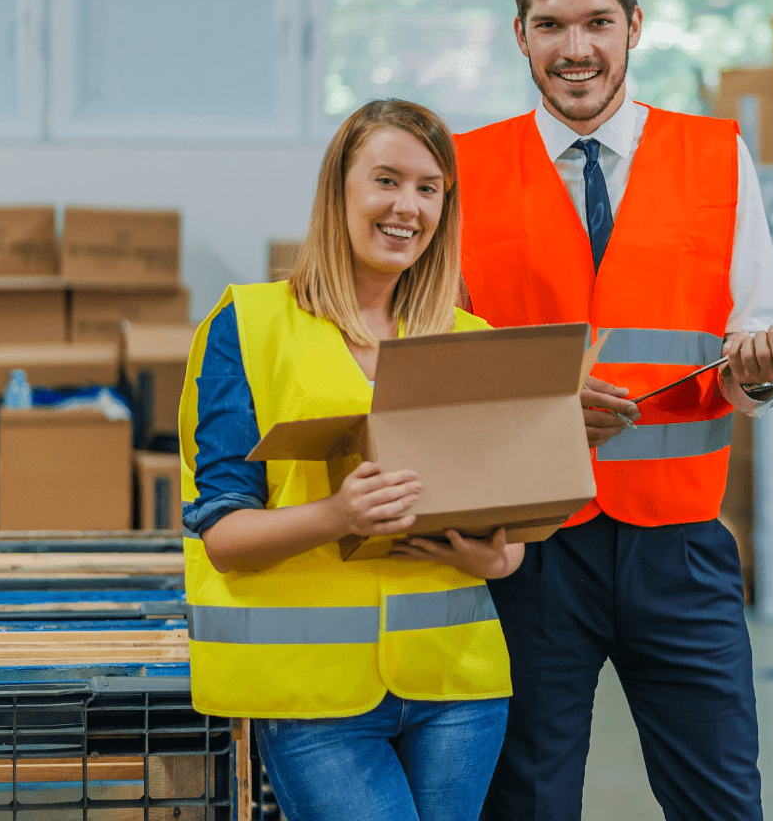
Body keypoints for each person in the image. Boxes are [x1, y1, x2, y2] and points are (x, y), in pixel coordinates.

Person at [453, 0, 773, 821]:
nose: (576, 50)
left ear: (634, 26)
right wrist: (540, 403)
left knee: (722, 801)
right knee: (527, 801)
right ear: (520, 34)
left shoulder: (715, 154)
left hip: (681, 543)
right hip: (530, 542)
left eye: (597, 23)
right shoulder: (462, 170)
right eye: (550, 26)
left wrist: (763, 370)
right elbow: (435, 369)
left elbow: (752, 333)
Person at [179, 99, 522, 821]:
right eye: (387, 180)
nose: (409, 207)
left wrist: (494, 559)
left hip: (459, 687)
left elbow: (509, 543)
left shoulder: (468, 339)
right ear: (339, 190)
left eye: (430, 189)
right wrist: (337, 515)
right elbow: (224, 535)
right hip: (313, 696)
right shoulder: (250, 324)